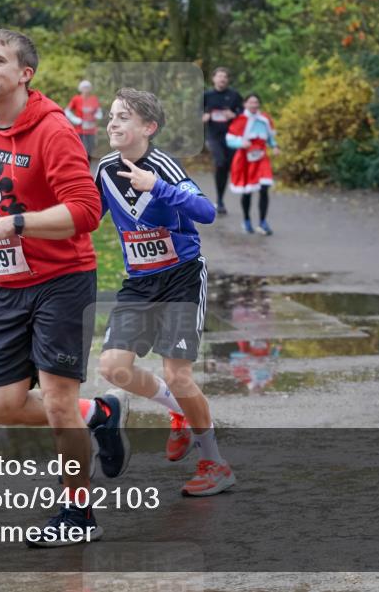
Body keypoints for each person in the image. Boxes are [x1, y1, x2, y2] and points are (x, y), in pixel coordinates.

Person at [0, 29, 129, 547]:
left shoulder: (54, 131)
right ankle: (99, 413)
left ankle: (78, 515)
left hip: (62, 280)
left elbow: (86, 211)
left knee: (55, 401)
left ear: (25, 74)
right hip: (8, 282)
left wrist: (17, 226)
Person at [95, 88, 236, 497]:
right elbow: (88, 215)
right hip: (139, 282)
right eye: (111, 117)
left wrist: (156, 186)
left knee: (178, 373)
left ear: (148, 127)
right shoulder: (105, 170)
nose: (113, 123)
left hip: (181, 277)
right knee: (113, 368)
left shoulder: (163, 166)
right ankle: (179, 412)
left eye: (123, 117)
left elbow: (206, 212)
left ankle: (215, 462)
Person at [226, 93, 278, 235]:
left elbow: (270, 137)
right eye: (251, 102)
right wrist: (241, 143)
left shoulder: (265, 119)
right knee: (247, 191)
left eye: (256, 102)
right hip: (245, 159)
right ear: (245, 104)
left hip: (261, 158)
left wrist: (274, 146)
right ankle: (247, 219)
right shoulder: (240, 120)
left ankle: (262, 222)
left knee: (264, 187)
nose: (254, 105)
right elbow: (229, 140)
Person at [202, 67, 243, 215]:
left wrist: (234, 114)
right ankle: (219, 200)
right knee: (220, 162)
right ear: (213, 79)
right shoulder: (206, 95)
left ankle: (221, 197)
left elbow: (243, 112)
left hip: (231, 136)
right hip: (214, 136)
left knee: (227, 166)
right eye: (219, 77)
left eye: (225, 77)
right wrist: (204, 116)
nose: (222, 79)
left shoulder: (234, 95)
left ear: (228, 80)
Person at [64, 79, 103, 161]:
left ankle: (88, 166)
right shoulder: (76, 99)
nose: (86, 89)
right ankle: (80, 164)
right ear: (80, 89)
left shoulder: (94, 99)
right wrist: (77, 120)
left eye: (88, 87)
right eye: (84, 87)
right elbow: (67, 111)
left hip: (91, 129)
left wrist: (96, 116)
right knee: (80, 148)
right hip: (80, 130)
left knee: (91, 149)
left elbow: (99, 112)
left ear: (90, 89)